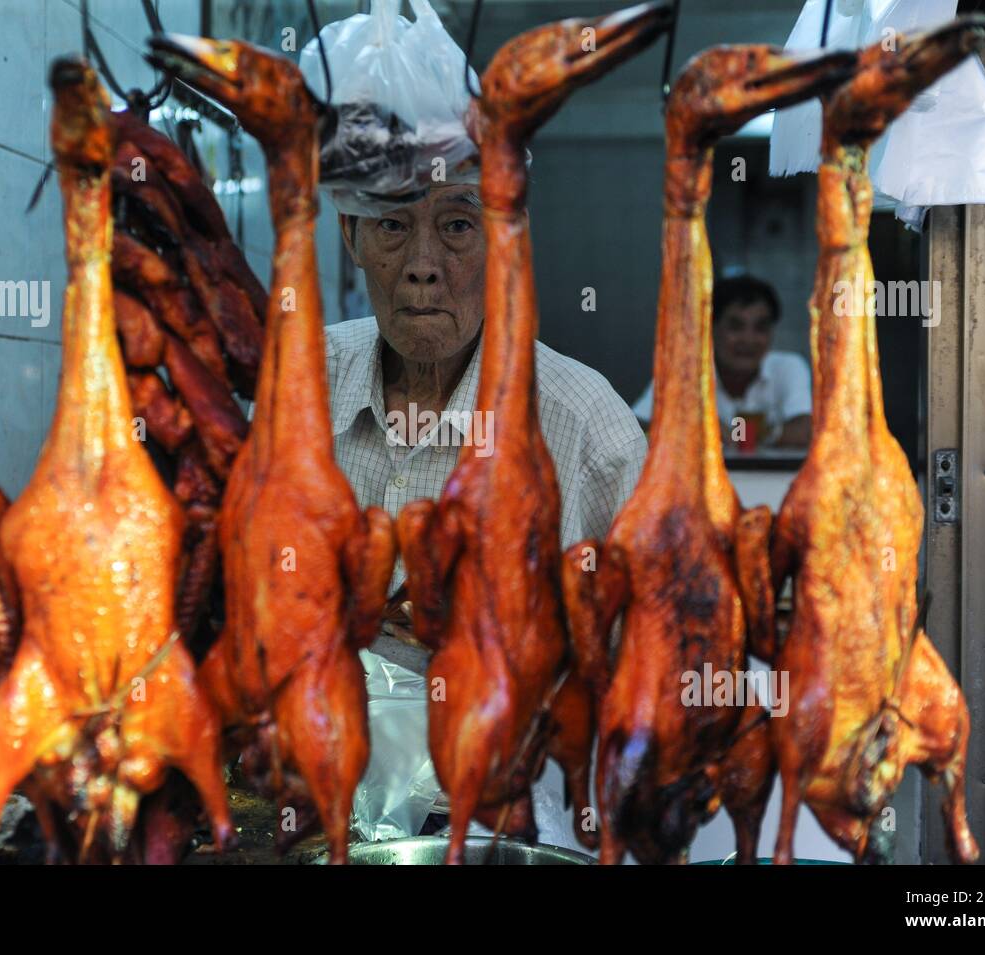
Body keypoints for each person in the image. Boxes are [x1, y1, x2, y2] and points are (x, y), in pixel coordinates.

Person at [326, 181, 648, 849]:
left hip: (506, 827)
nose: (423, 262)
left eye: (457, 226)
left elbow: (643, 683)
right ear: (349, 234)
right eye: (391, 224)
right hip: (306, 808)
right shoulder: (300, 381)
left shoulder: (586, 428)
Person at [631, 273, 813, 450]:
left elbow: (804, 431)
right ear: (711, 329)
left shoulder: (788, 367)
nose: (748, 340)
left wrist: (749, 433)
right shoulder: (686, 372)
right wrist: (690, 427)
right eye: (735, 326)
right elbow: (634, 427)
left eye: (761, 328)